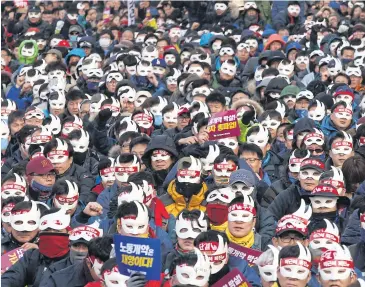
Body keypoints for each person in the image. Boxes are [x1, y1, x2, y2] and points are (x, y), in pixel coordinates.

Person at [2, 208, 71, 286]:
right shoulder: (31, 256)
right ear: (40, 231)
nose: (51, 234)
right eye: (47, 230)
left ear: (68, 233)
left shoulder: (75, 261)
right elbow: (12, 277)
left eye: (57, 231)